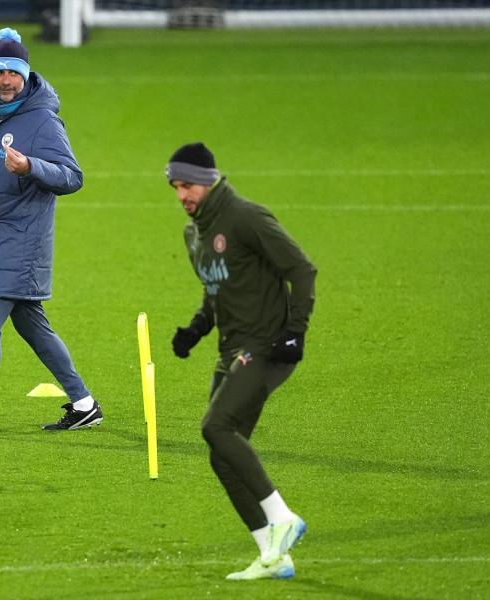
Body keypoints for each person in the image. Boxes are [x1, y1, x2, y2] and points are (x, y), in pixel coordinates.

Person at [0, 28, 102, 439]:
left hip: (22, 237)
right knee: (31, 324)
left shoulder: (43, 120)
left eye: (13, 72)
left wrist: (31, 166)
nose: (6, 80)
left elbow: (72, 176)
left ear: (26, 75)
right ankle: (84, 404)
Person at [166, 143, 317, 580]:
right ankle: (273, 554)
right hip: (231, 347)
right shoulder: (194, 234)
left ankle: (283, 518)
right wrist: (196, 329)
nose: (182, 195)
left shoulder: (247, 217)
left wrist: (296, 332)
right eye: (176, 187)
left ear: (210, 180)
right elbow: (217, 289)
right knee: (222, 455)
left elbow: (302, 270)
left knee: (215, 427)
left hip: (268, 345)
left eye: (188, 185)